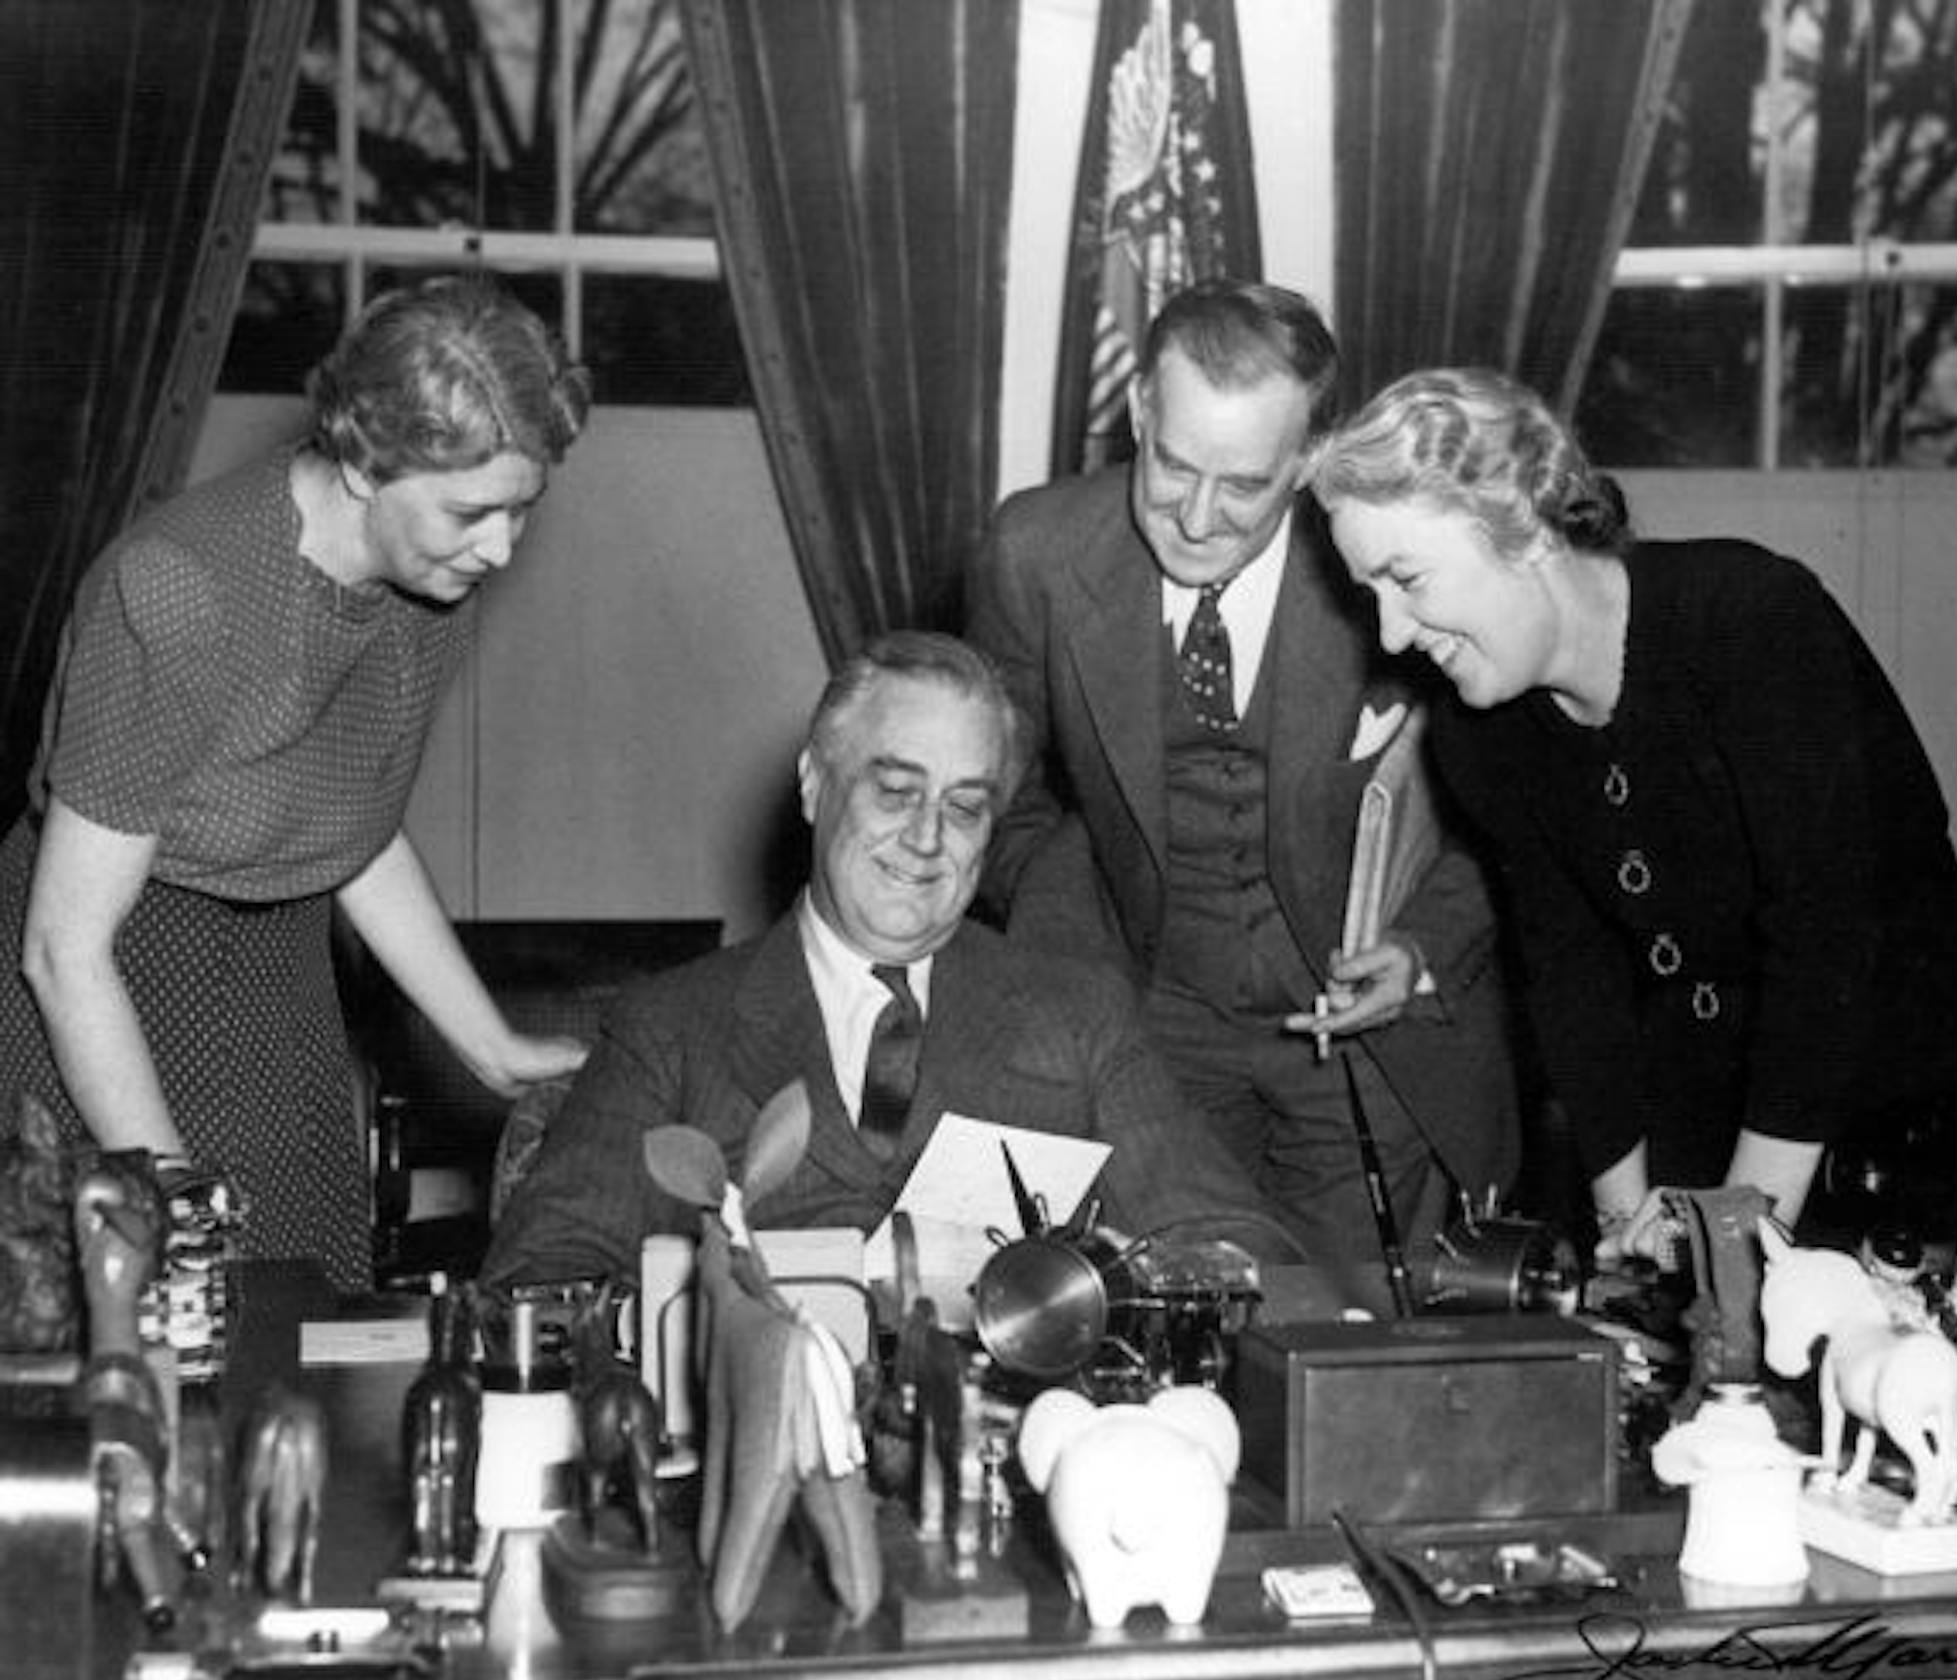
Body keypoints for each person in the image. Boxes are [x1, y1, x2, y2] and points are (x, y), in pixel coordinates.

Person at [1307, 366, 1957, 1259]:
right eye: (1373, 597)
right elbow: (1574, 977)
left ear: (1520, 523)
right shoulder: (1478, 734)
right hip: (1702, 1085)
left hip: (1884, 1089)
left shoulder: (1753, 619)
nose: (1394, 634)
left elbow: (1827, 941)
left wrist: (1736, 1237)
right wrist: (1623, 1226)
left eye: (1408, 579)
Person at [0, 274, 594, 1291]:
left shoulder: (426, 587)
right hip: (106, 976)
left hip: (277, 972)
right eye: (471, 513)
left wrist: (486, 1044)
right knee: (152, 1333)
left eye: (521, 511)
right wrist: (173, 1195)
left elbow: (352, 830)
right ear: (363, 463)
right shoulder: (183, 593)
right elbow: (64, 951)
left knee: (305, 1319)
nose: (500, 549)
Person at [967, 279, 1517, 1288]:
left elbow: (1508, 803)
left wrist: (1422, 947)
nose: (1197, 516)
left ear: (1309, 460)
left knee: (1348, 1352)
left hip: (1361, 1043)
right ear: (1138, 410)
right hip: (1147, 1028)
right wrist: (1069, 914)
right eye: (1173, 467)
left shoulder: (1386, 568)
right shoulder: (1035, 552)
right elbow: (995, 791)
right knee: (1177, 1328)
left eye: (1246, 487)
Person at [483, 631, 1305, 1290]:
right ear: (814, 784)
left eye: (966, 807)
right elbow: (539, 1277)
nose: (926, 838)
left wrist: (1118, 1276)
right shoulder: (668, 1026)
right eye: (896, 790)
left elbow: (1243, 1246)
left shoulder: (1079, 1015)